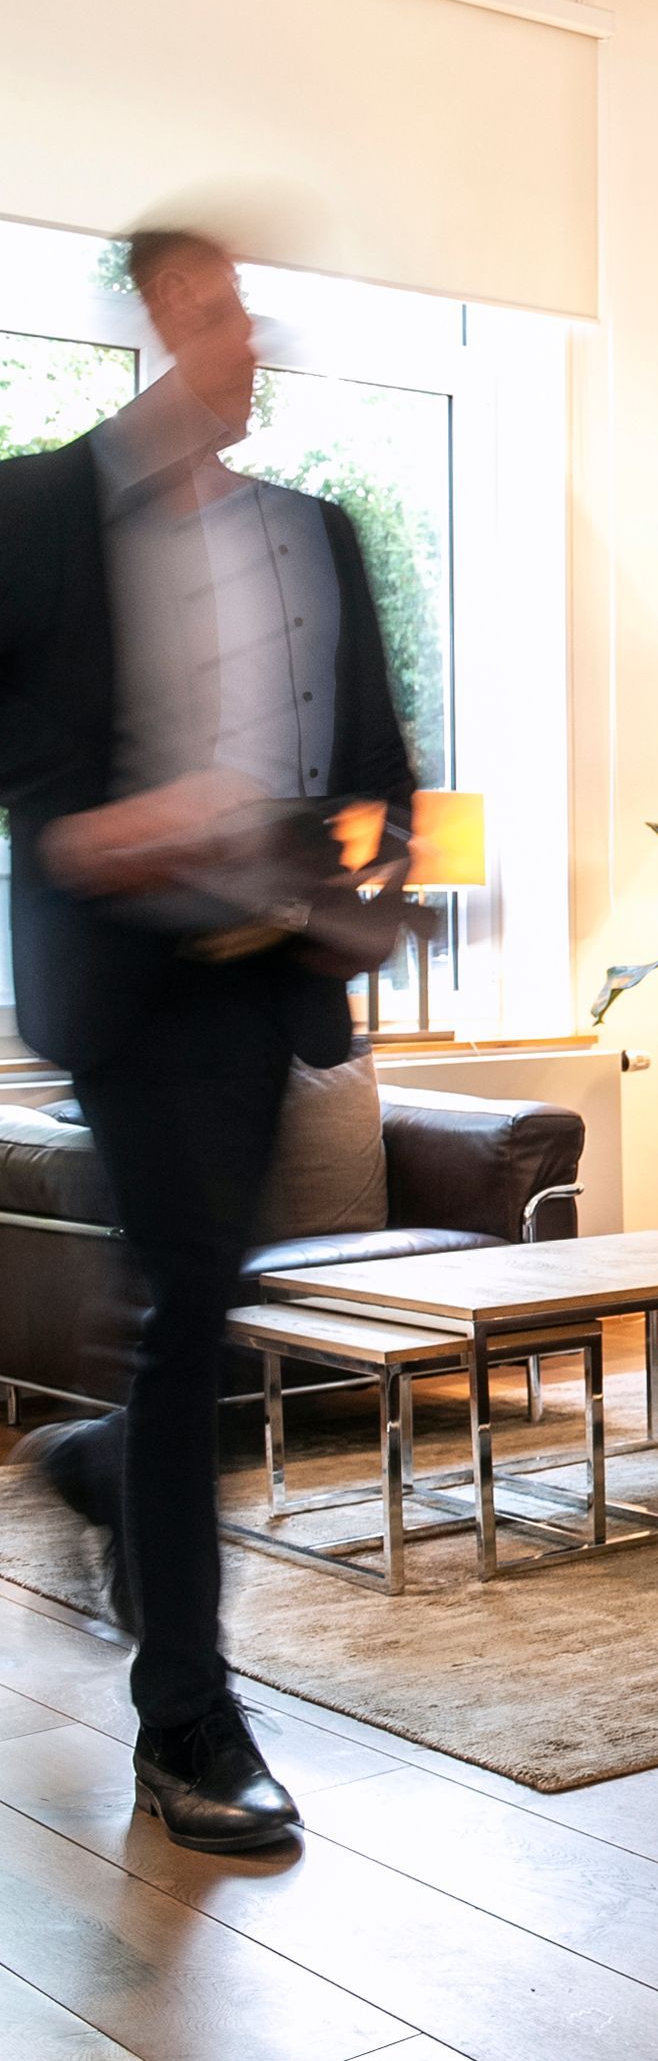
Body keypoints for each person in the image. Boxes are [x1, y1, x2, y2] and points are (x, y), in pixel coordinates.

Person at [0, 226, 413, 1849]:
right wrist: (85, 829)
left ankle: (108, 1465)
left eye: (253, 309)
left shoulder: (320, 532)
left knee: (199, 1305)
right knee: (189, 1306)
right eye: (224, 305)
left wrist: (380, 894)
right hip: (124, 979)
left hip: (268, 979)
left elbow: (385, 776)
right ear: (161, 314)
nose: (253, 337)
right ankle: (188, 1722)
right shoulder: (33, 513)